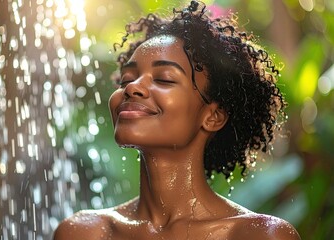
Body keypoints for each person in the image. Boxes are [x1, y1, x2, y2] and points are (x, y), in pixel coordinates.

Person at [54, 1, 301, 239]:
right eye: (126, 79)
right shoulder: (83, 233)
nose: (132, 88)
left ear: (213, 117)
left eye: (164, 79)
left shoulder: (258, 235)